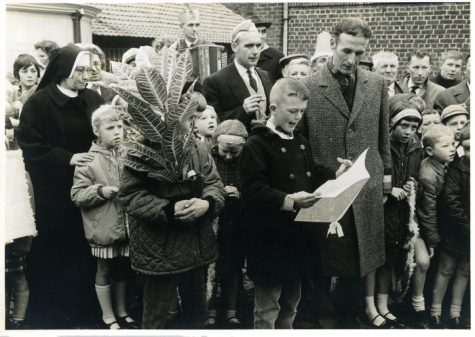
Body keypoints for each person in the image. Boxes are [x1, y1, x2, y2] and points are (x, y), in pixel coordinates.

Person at [299, 18, 392, 329]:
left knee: (360, 251)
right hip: (326, 183)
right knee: (324, 256)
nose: (352, 60)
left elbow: (383, 136)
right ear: (333, 47)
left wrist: (386, 178)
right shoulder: (309, 86)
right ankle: (322, 318)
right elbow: (300, 140)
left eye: (360, 53)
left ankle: (351, 317)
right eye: (346, 51)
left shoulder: (376, 84)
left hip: (366, 183)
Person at [240, 78, 352, 329]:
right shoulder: (256, 144)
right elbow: (252, 190)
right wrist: (288, 200)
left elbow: (311, 170)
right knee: (268, 306)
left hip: (299, 238)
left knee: (292, 303)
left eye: (302, 111)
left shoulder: (300, 140)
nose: (298, 117)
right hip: (270, 241)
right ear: (272, 110)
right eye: (292, 111)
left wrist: (336, 174)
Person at [16, 45, 105, 328]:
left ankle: (87, 313)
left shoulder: (92, 97)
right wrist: (68, 159)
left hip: (91, 187)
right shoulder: (39, 102)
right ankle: (54, 317)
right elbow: (30, 145)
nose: (85, 75)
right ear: (63, 70)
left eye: (88, 69)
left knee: (88, 251)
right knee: (58, 252)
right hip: (55, 191)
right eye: (79, 70)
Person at [117, 118, 225, 329]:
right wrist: (169, 209)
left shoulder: (197, 147)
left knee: (197, 311)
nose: (188, 122)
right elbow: (130, 196)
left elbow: (214, 184)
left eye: (190, 117)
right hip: (159, 247)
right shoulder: (141, 150)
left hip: (195, 244)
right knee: (156, 314)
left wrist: (207, 203)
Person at [71, 106, 139, 330]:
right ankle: (108, 315)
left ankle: (121, 311)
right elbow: (77, 195)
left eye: (120, 127)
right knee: (104, 269)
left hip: (127, 225)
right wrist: (100, 191)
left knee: (122, 268)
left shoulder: (129, 154)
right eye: (110, 128)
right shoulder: (88, 160)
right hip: (104, 226)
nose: (117, 132)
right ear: (96, 131)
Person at [376, 98, 424, 329]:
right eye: (404, 126)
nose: (408, 132)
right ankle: (378, 306)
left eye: (413, 127)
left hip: (403, 214)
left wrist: (411, 185)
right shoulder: (383, 145)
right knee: (381, 261)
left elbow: (418, 178)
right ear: (392, 124)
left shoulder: (416, 147)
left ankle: (388, 303)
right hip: (384, 211)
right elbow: (373, 174)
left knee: (396, 259)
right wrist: (389, 188)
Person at [205, 119, 248, 329]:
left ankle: (231, 311)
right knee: (210, 268)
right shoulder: (208, 159)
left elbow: (254, 187)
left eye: (234, 152)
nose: (229, 156)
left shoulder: (248, 161)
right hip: (213, 222)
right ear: (215, 145)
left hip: (236, 223)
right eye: (224, 151)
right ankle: (210, 311)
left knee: (232, 268)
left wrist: (240, 194)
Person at [415, 124, 456, 328]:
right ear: (430, 151)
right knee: (427, 264)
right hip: (423, 227)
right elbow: (427, 212)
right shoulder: (428, 175)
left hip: (438, 226)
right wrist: (432, 240)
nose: (452, 149)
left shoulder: (446, 164)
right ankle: (420, 308)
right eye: (446, 145)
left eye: (453, 144)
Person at [430, 124, 470, 329]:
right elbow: (451, 202)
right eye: (468, 148)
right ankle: (435, 311)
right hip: (457, 231)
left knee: (465, 271)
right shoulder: (457, 170)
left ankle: (455, 312)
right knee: (446, 269)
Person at [203, 20, 273, 133]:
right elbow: (210, 123)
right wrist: (242, 111)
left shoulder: (266, 76)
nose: (255, 51)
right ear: (235, 47)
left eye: (258, 45)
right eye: (249, 46)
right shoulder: (215, 81)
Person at [4, 136, 37, 329]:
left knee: (18, 278)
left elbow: (29, 208)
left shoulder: (20, 175)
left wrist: (25, 243)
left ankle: (18, 320)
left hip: (16, 239)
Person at [5, 54, 40, 131]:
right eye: (24, 71)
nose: (30, 75)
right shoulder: (11, 94)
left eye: (33, 71)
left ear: (38, 74)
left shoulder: (41, 93)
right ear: (17, 75)